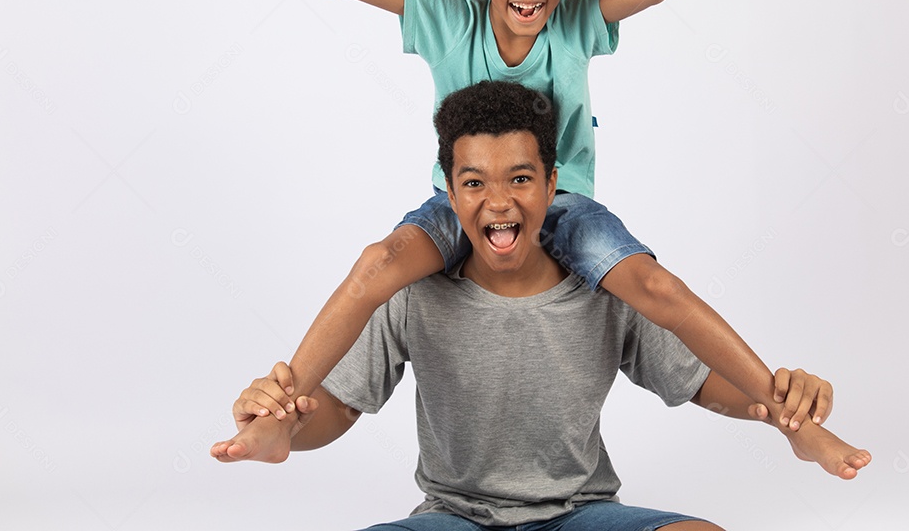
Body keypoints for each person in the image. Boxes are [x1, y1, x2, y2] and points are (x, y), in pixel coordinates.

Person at [218, 0, 823, 437]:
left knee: (655, 285)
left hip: (564, 203)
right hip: (462, 201)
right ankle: (280, 408)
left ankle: (785, 410)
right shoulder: (450, 18)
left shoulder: (577, 21)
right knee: (378, 263)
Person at [210, 81, 872, 530]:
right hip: (454, 518)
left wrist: (780, 403)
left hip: (578, 514)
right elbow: (338, 407)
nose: (498, 201)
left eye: (520, 178)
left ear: (553, 185)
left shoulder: (603, 286)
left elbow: (701, 381)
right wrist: (288, 428)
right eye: (475, 182)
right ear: (450, 194)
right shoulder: (412, 290)